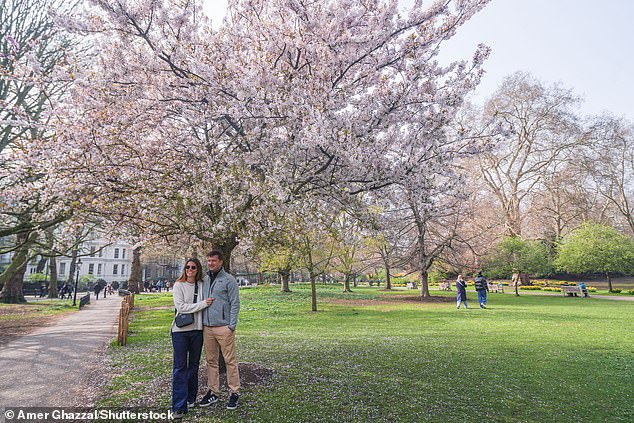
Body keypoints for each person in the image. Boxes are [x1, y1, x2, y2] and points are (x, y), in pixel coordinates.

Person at [171, 258, 214, 420]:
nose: (190, 269)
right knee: (180, 367)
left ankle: (190, 398)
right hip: (180, 331)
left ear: (198, 269)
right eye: (188, 267)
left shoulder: (203, 284)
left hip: (197, 331)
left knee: (194, 366)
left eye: (193, 267)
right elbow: (181, 307)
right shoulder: (178, 285)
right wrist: (203, 304)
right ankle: (178, 406)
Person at [198, 250, 241, 410]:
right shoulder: (205, 279)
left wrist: (231, 326)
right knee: (211, 361)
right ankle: (213, 392)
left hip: (224, 327)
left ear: (221, 262)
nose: (210, 263)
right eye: (208, 260)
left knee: (230, 361)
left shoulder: (229, 280)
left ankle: (234, 392)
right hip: (207, 327)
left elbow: (235, 303)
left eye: (213, 261)